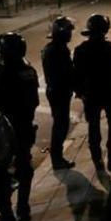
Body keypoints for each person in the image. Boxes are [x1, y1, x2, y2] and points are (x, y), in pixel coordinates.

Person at [0, 33, 39, 221]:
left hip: (5, 131)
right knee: (25, 167)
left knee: (0, 172)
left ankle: (6, 213)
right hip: (25, 126)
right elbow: (34, 101)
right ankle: (23, 208)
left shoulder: (2, 73)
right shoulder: (29, 71)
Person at [73, 14, 111, 170]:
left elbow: (76, 75)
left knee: (93, 127)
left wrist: (81, 92)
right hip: (110, 93)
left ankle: (97, 159)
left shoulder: (80, 50)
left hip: (91, 95)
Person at [42, 17, 77, 170]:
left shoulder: (53, 48)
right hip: (59, 91)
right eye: (68, 30)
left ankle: (57, 157)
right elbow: (67, 73)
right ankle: (57, 159)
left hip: (57, 90)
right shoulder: (58, 50)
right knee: (60, 125)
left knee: (61, 124)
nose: (70, 34)